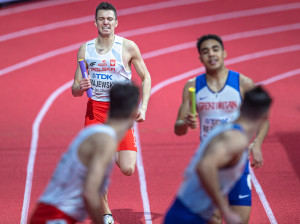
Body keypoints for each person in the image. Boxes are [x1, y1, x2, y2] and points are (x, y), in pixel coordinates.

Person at [174, 34, 270, 223]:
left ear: (224, 53)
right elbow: (178, 128)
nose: (211, 54)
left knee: (240, 220)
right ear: (200, 58)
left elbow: (263, 119)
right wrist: (185, 122)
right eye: (205, 51)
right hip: (210, 160)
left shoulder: (243, 84)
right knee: (214, 219)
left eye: (215, 49)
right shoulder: (192, 86)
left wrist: (257, 144)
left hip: (237, 162)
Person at [71, 2, 151, 222]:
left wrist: (143, 106)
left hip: (120, 114)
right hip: (95, 112)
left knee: (127, 168)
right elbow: (75, 90)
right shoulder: (84, 50)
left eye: (109, 19)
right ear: (95, 22)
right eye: (101, 19)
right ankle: (106, 214)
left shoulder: (128, 47)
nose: (105, 22)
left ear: (116, 22)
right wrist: (81, 87)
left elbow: (146, 77)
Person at [29, 83, 140, 224]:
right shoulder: (105, 140)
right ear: (133, 112)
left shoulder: (94, 133)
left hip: (53, 214)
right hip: (55, 216)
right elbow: (90, 192)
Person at [165, 86, 272, 224]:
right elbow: (205, 166)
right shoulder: (235, 139)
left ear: (240, 106)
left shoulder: (225, 128)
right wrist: (225, 210)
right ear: (266, 115)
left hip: (186, 212)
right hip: (190, 217)